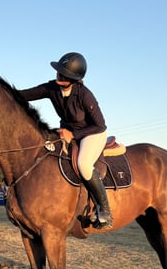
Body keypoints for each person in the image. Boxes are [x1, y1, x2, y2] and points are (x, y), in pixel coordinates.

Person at [18, 52, 113, 228]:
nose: (58, 75)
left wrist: (74, 135)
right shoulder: (52, 88)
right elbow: (25, 94)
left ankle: (105, 209)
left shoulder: (85, 95)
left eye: (63, 74)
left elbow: (100, 125)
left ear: (73, 78)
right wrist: (3, 92)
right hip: (67, 131)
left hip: (92, 133)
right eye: (58, 72)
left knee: (84, 165)